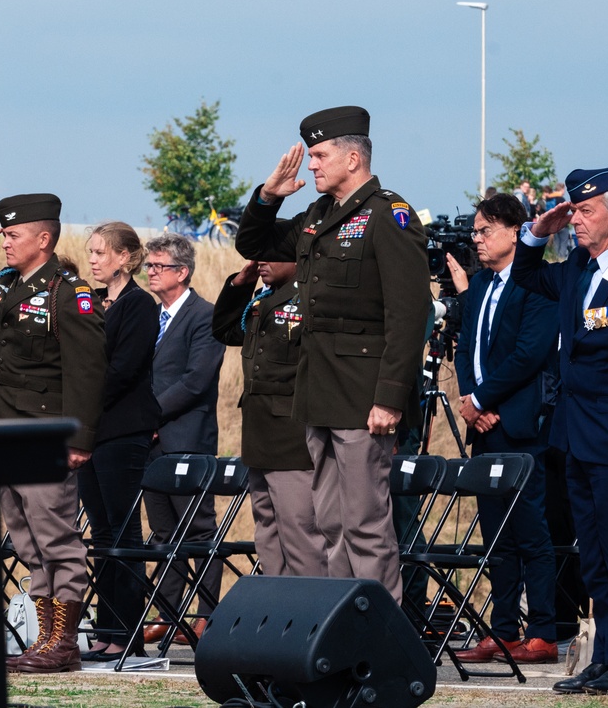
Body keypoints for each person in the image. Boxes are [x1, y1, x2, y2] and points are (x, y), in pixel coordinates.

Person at [234, 105, 429, 602]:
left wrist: (390, 397)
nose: (312, 165)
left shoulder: (389, 215)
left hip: (364, 396)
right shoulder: (319, 215)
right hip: (318, 391)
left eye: (319, 155)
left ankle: (378, 637)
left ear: (352, 156)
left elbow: (408, 314)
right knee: (329, 521)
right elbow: (252, 243)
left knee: (365, 524)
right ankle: (343, 625)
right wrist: (267, 197)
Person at [512, 162, 608, 695]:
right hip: (574, 438)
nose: (576, 219)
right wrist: (539, 230)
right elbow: (526, 274)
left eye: (585, 210)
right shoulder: (577, 268)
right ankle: (605, 658)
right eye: (575, 209)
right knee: (595, 556)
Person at [0, 193, 106, 674]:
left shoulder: (68, 293)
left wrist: (79, 439)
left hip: (46, 436)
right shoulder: (3, 288)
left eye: (13, 235)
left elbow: (87, 372)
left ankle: (64, 643)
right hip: (6, 434)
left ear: (44, 239)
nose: (5, 242)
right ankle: (45, 639)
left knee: (56, 538)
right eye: (4, 234)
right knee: (28, 540)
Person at [451, 193, 560, 665]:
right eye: (475, 231)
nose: (476, 239)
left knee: (532, 532)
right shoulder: (478, 286)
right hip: (486, 426)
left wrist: (482, 399)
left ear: (515, 232)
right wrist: (472, 402)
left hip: (521, 427)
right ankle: (502, 630)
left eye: (485, 230)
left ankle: (543, 631)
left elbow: (529, 355)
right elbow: (465, 348)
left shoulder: (535, 285)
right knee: (497, 536)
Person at [75, 221, 160, 662]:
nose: (93, 260)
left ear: (125, 257)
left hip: (121, 428)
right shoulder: (88, 303)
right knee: (102, 532)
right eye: (90, 253)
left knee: (124, 532)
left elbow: (124, 368)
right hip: (89, 428)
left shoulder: (139, 304)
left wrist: (82, 399)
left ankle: (125, 630)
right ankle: (105, 627)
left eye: (101, 253)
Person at [211, 260, 326, 577]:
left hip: (291, 433)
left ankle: (312, 617)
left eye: (271, 253)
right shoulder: (262, 299)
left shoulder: (310, 295)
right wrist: (240, 284)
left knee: (300, 532)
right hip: (259, 431)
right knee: (267, 529)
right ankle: (278, 610)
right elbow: (224, 329)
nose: (260, 261)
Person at [141, 232, 225, 644]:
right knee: (163, 534)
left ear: (183, 272)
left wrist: (149, 415)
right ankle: (169, 613)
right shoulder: (150, 316)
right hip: (152, 441)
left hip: (186, 438)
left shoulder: (204, 316)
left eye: (159, 267)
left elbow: (195, 381)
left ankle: (207, 613)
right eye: (149, 266)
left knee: (198, 530)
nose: (151, 273)